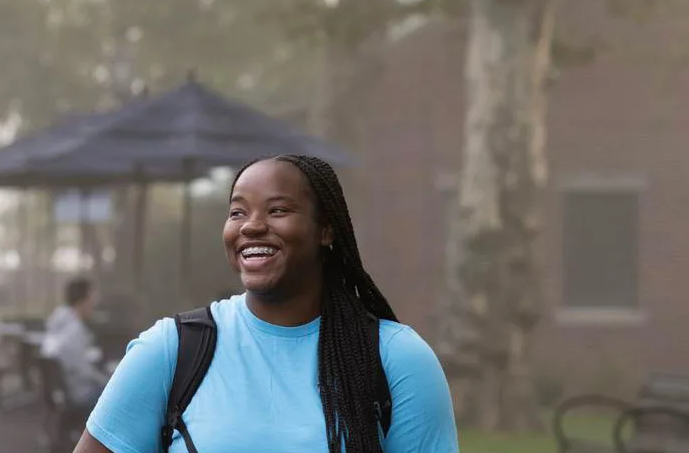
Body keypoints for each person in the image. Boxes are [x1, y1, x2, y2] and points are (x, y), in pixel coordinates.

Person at [76, 154, 457, 453]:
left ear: (326, 230)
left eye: (277, 210)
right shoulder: (173, 350)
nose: (251, 226)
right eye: (238, 212)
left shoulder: (396, 358)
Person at [42, 278, 107, 413]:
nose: (95, 303)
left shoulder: (60, 324)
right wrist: (110, 381)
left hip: (68, 391)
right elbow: (85, 372)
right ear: (80, 302)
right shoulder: (74, 331)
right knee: (128, 395)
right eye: (92, 298)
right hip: (81, 394)